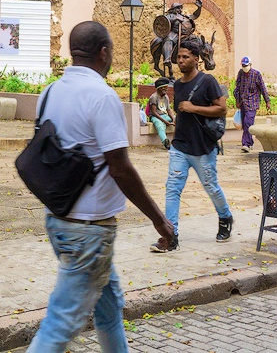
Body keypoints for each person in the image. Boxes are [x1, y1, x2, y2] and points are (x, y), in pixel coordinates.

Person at [26, 21, 172, 353]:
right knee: (61, 322)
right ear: (103, 53)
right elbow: (120, 167)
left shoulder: (50, 92)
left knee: (109, 308)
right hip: (88, 230)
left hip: (58, 218)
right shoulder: (102, 96)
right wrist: (158, 218)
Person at [153, 38, 233, 253]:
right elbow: (180, 113)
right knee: (172, 189)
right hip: (180, 146)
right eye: (179, 57)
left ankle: (225, 217)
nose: (180, 61)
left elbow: (222, 109)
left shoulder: (208, 81)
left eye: (185, 57)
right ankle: (171, 235)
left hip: (203, 148)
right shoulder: (177, 85)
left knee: (211, 187)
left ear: (196, 59)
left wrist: (193, 107)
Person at [233, 56, 271, 153]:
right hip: (242, 102)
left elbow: (263, 88)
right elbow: (237, 87)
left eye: (246, 65)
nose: (244, 67)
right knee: (245, 124)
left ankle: (246, 144)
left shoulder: (256, 74)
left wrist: (267, 101)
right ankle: (249, 142)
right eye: (243, 65)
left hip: (252, 103)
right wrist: (237, 100)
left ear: (250, 65)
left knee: (247, 122)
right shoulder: (241, 73)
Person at [146, 78, 174, 149]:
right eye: (166, 88)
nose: (167, 90)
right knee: (160, 126)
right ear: (161, 88)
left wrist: (173, 119)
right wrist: (164, 121)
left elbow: (168, 110)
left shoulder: (166, 97)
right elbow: (154, 112)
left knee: (179, 120)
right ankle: (165, 141)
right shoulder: (154, 97)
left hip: (164, 115)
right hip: (155, 117)